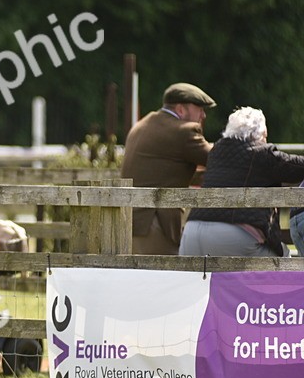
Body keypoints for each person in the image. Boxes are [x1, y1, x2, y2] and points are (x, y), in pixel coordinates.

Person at [179, 107, 304, 257]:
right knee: (285, 263)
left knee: (199, 280)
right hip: (232, 235)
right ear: (261, 134)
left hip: (191, 232)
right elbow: (297, 167)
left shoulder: (215, 152)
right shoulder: (262, 153)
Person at [121, 83, 215, 254]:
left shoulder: (142, 125)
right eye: (199, 109)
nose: (203, 115)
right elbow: (220, 160)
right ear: (181, 109)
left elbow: (164, 170)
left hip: (131, 222)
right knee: (162, 278)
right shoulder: (184, 131)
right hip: (154, 225)